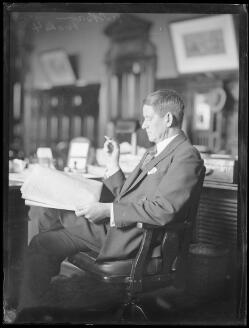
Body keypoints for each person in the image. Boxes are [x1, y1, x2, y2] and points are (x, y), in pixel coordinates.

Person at [16, 89, 205, 316]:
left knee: (55, 215)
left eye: (148, 118)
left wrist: (107, 210)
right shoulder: (154, 152)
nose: (143, 125)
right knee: (43, 241)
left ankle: (30, 308)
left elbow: (164, 210)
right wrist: (113, 163)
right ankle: (31, 309)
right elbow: (127, 196)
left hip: (137, 238)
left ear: (168, 119)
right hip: (122, 230)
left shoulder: (186, 155)